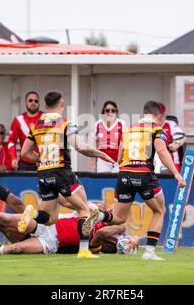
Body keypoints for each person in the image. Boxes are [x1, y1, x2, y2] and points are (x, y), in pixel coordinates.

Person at [18, 90, 115, 258]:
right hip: (61, 173)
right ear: (62, 104)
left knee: (50, 218)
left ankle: (32, 213)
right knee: (84, 209)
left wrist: (40, 160)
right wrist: (102, 154)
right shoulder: (65, 123)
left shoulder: (36, 126)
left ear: (46, 106)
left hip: (43, 174)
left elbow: (24, 153)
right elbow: (81, 147)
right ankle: (84, 250)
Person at [97, 101, 186, 261]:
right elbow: (161, 151)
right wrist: (176, 174)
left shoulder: (129, 129)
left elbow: (118, 157)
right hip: (144, 174)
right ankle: (149, 252)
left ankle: (100, 217)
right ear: (158, 116)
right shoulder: (156, 129)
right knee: (160, 211)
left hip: (124, 174)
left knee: (118, 217)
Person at [0, 200, 138, 256]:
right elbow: (67, 201)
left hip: (52, 243)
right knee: (4, 218)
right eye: (113, 206)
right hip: (49, 225)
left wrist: (126, 232)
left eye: (118, 209)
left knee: (15, 248)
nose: (113, 208)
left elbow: (102, 236)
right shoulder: (93, 208)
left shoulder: (113, 238)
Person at [8, 91, 44, 171]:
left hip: (43, 162)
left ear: (39, 103)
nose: (33, 102)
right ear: (25, 102)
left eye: (36, 101)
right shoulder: (18, 120)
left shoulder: (46, 118)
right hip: (25, 163)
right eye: (30, 100)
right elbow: (11, 141)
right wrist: (13, 158)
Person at [90, 101, 125, 173]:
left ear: (116, 112)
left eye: (113, 110)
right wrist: (92, 160)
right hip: (103, 160)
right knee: (103, 182)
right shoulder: (98, 124)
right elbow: (94, 144)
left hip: (117, 161)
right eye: (107, 110)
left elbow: (123, 144)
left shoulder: (122, 124)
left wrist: (118, 162)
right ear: (103, 112)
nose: (110, 112)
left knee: (115, 182)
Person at [155, 103, 187, 173]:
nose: (160, 117)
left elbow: (183, 138)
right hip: (154, 163)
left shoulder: (170, 124)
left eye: (162, 115)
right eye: (157, 115)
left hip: (171, 163)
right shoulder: (148, 126)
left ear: (165, 115)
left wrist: (176, 144)